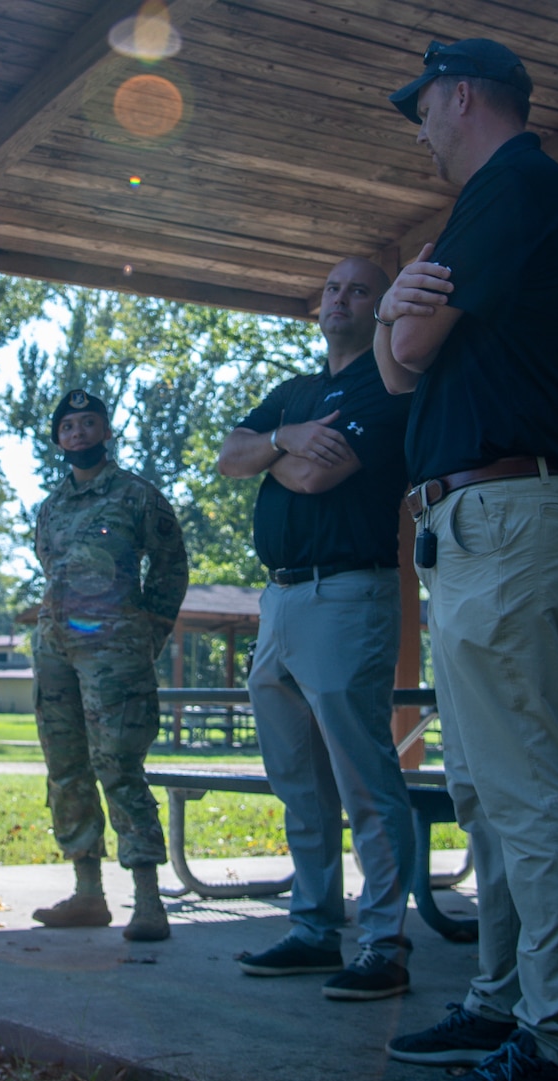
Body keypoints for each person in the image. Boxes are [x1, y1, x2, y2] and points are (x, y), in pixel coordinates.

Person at [375, 39, 558, 1081]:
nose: (415, 131)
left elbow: (405, 341)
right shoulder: (488, 201)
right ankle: (500, 999)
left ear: (458, 96)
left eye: (419, 109)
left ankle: (551, 1042)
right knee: (477, 785)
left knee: (522, 784)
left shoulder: (513, 184)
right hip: (466, 521)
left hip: (505, 513)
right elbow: (398, 360)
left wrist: (391, 319)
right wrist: (390, 324)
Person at [217, 257, 417, 1001]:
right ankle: (312, 928)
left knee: (364, 775)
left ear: (380, 308)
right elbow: (226, 453)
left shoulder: (386, 384)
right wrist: (287, 435)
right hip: (280, 601)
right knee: (297, 778)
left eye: (360, 289)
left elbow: (314, 477)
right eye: (334, 287)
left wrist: (274, 448)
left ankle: (386, 942)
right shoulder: (296, 394)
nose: (342, 298)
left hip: (347, 593)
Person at [29, 391, 187, 941]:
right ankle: (88, 894)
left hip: (117, 653)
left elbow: (170, 567)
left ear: (105, 430)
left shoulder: (137, 495)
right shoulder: (49, 507)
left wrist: (151, 631)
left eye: (87, 423)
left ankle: (148, 901)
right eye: (67, 426)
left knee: (118, 765)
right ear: (58, 440)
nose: (77, 433)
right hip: (55, 650)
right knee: (66, 768)